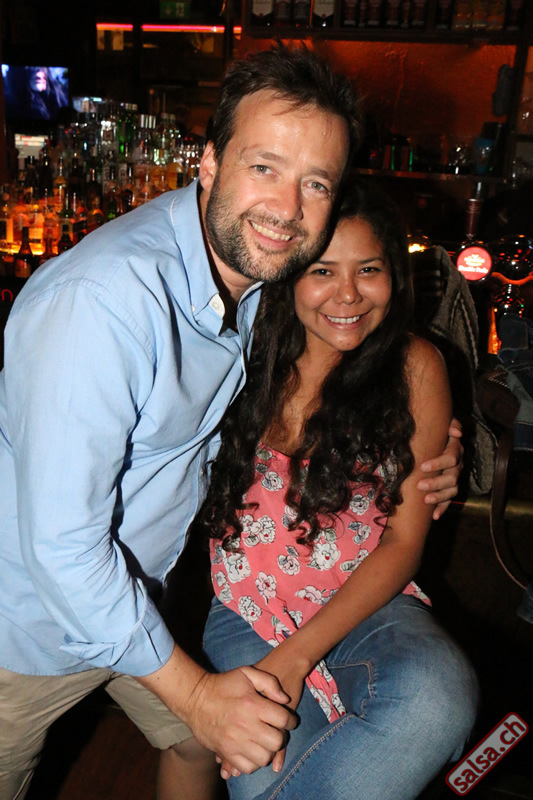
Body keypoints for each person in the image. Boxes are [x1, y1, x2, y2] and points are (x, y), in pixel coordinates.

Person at [0, 47, 462, 800]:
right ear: (210, 162)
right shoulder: (102, 304)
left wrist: (426, 454)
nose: (288, 207)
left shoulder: (254, 289)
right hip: (24, 629)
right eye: (265, 166)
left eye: (315, 182)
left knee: (196, 744)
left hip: (135, 604)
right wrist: (197, 696)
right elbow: (61, 551)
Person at [200, 179, 478, 800]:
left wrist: (296, 658)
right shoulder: (240, 353)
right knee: (263, 769)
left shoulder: (414, 368)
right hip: (246, 607)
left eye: (369, 269)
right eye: (322, 270)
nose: (348, 294)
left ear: (394, 275)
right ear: (288, 274)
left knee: (436, 696)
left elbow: (404, 543)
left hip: (367, 600)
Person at [3, 66, 69, 122]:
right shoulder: (14, 102)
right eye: (37, 77)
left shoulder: (57, 98)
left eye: (44, 77)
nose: (41, 77)